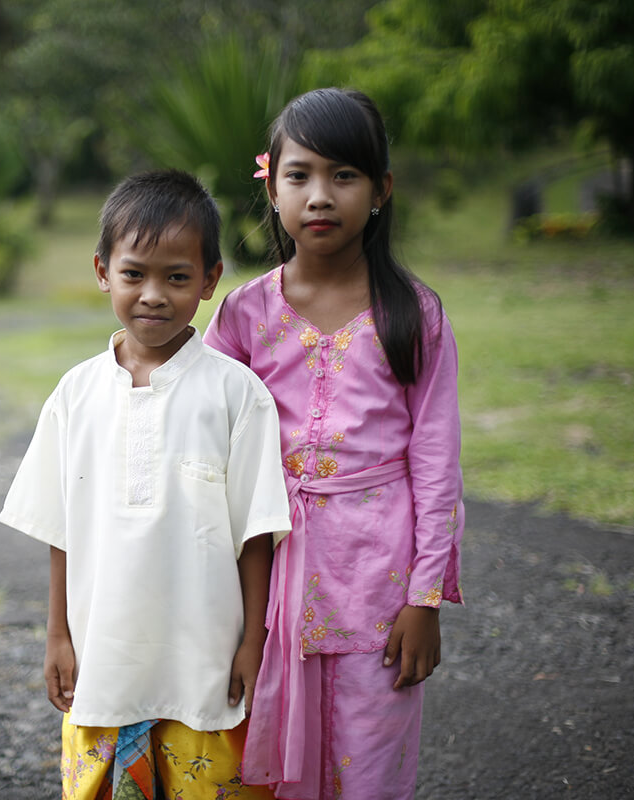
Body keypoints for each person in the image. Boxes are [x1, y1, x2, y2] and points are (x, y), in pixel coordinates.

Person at [204, 88, 464, 800]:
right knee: (263, 750)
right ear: (272, 186)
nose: (321, 196)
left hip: (377, 585)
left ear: (380, 190)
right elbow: (200, 440)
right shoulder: (242, 316)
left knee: (369, 759)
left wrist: (426, 598)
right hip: (267, 578)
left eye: (344, 176)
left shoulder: (414, 315)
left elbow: (437, 465)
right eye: (301, 175)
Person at [0, 169, 292, 799]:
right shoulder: (76, 394)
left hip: (205, 662)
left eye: (177, 277)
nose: (153, 294)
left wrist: (252, 640)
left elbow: (255, 534)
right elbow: (60, 528)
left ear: (210, 280)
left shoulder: (236, 395)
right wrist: (57, 634)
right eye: (135, 274)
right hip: (105, 659)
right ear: (103, 270)